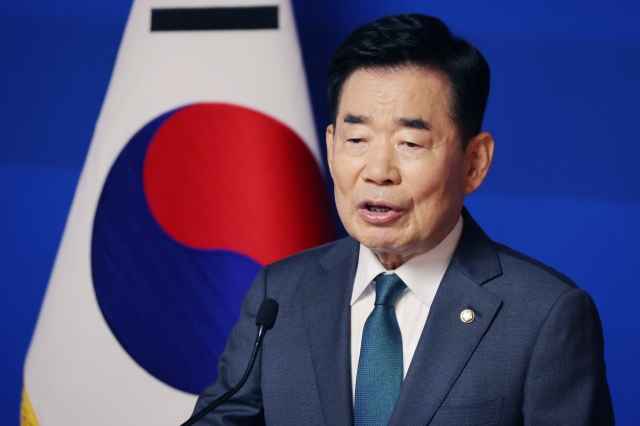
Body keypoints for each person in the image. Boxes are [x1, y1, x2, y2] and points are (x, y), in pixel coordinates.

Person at [192, 14, 614, 425]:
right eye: (357, 139)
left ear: (474, 162)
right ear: (331, 144)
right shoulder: (278, 295)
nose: (378, 170)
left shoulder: (545, 316)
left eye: (410, 142)